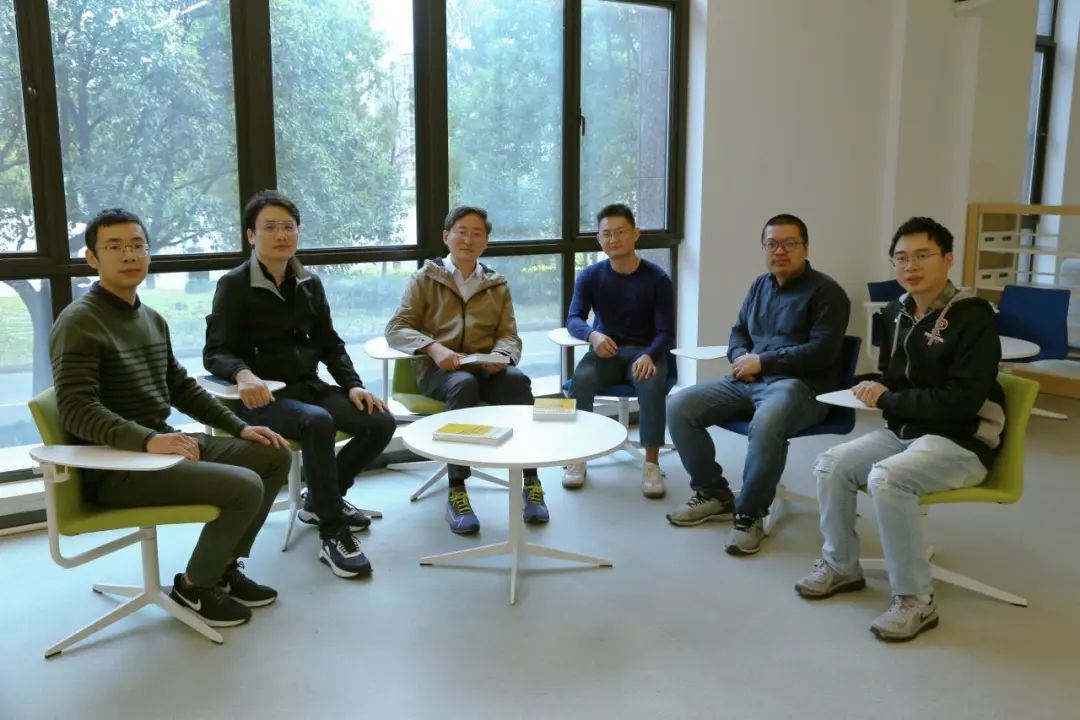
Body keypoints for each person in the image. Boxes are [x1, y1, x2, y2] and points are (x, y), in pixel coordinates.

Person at [50, 208, 292, 628]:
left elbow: (180, 386)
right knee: (245, 486)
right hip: (115, 466)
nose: (129, 255)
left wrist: (239, 427)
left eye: (137, 245)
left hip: (159, 445)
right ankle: (195, 588)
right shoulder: (79, 323)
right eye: (114, 247)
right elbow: (76, 409)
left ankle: (222, 568)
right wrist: (147, 440)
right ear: (92, 258)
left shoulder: (149, 318)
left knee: (273, 455)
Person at [795, 217, 1005, 642]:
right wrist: (875, 385)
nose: (911, 266)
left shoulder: (974, 316)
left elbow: (961, 400)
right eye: (901, 258)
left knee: (887, 478)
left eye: (922, 255)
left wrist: (888, 398)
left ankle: (915, 600)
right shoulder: (896, 311)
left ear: (948, 259)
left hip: (962, 439)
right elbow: (895, 377)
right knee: (831, 464)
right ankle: (841, 565)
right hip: (908, 431)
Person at [204, 190, 395, 580]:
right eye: (270, 227)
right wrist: (242, 374)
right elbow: (215, 351)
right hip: (261, 399)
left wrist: (353, 385)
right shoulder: (234, 285)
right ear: (251, 235)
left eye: (288, 227)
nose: (281, 235)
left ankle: (322, 500)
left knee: (380, 421)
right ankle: (333, 533)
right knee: (317, 421)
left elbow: (330, 344)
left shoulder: (309, 282)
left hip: (308, 387)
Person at [666, 213, 850, 555]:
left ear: (806, 248)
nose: (779, 251)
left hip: (802, 388)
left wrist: (763, 361)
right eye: (771, 244)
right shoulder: (759, 286)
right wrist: (741, 360)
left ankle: (749, 514)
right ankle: (714, 494)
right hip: (749, 381)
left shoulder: (828, 293)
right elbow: (738, 333)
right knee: (679, 405)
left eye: (789, 243)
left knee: (767, 422)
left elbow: (822, 351)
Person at [385, 205, 548, 534]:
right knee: (462, 384)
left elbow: (509, 335)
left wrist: (500, 355)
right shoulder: (424, 279)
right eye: (461, 232)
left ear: (486, 242)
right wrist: (434, 347)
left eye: (477, 234)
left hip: (485, 368)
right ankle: (457, 489)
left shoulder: (496, 284)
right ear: (446, 236)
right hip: (439, 372)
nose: (468, 240)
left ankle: (531, 481)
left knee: (518, 383)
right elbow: (396, 329)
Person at [562, 203, 675, 498]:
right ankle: (578, 455)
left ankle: (651, 463)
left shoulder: (657, 279)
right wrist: (593, 336)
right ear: (599, 239)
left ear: (636, 234)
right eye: (607, 234)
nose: (614, 239)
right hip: (606, 351)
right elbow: (573, 319)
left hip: (645, 352)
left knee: (651, 383)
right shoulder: (590, 276)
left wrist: (650, 354)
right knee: (581, 381)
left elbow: (666, 332)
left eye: (621, 232)